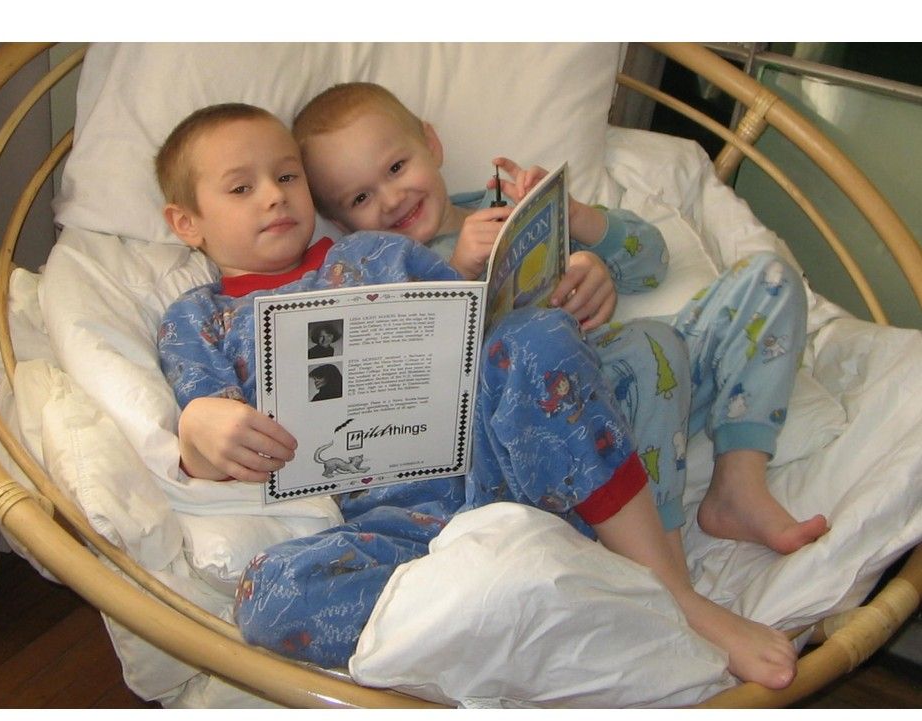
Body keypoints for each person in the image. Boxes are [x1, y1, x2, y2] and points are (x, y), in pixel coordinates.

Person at [154, 102, 798, 689]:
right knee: (270, 598)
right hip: (399, 525)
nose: (273, 197)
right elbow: (204, 428)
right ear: (186, 222)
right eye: (242, 188)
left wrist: (565, 273)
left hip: (501, 461)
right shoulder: (198, 319)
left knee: (535, 334)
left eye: (288, 177)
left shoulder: (374, 252)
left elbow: (479, 321)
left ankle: (670, 595)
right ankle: (536, 607)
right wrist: (202, 429)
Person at [293, 81, 829, 558]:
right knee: (651, 343)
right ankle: (658, 553)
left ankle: (738, 483)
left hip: (644, 389)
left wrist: (588, 242)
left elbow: (652, 262)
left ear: (431, 145)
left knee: (769, 278)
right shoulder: (377, 269)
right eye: (361, 197)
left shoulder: (512, 206)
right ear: (341, 222)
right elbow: (405, 385)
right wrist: (457, 270)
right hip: (556, 435)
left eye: (396, 167)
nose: (391, 198)